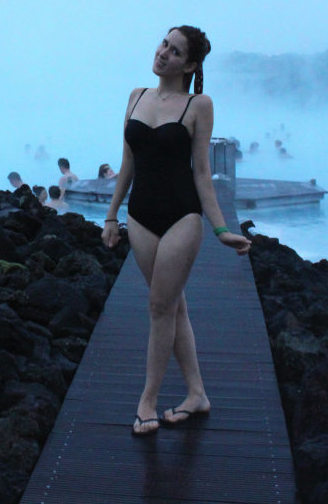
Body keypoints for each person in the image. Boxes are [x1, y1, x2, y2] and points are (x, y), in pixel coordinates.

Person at [100, 25, 251, 437]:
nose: (163, 53)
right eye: (164, 43)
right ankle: (196, 393)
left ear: (190, 64)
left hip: (183, 216)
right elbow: (127, 162)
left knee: (159, 307)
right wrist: (112, 216)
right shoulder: (137, 96)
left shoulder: (198, 104)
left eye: (175, 50)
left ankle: (147, 399)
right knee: (172, 306)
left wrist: (220, 229)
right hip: (140, 216)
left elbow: (202, 173)